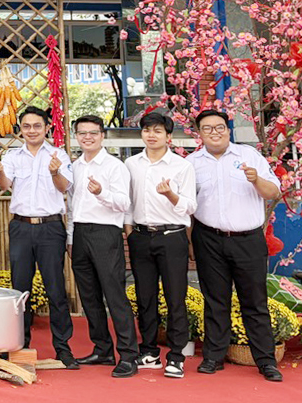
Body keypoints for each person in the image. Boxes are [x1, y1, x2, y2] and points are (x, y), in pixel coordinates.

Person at [188, 109, 283, 383]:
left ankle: (265, 361)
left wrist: (256, 179)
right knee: (215, 301)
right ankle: (213, 357)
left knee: (254, 302)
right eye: (207, 128)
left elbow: (274, 192)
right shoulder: (191, 163)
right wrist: (191, 241)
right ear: (199, 133)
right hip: (208, 238)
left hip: (248, 240)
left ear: (228, 130)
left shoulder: (249, 156)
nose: (214, 132)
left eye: (219, 127)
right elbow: (188, 207)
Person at [0, 106, 78, 369]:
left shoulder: (59, 155)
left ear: (47, 127)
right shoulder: (13, 156)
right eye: (26, 126)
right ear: (20, 129)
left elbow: (65, 187)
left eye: (37, 126)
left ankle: (63, 348)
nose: (31, 131)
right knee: (20, 290)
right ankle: (18, 345)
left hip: (50, 227)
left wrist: (55, 172)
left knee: (55, 289)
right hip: (21, 227)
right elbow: (4, 185)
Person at [124, 112, 196, 379]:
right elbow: (128, 202)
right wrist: (129, 232)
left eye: (157, 130)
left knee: (175, 297)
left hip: (172, 237)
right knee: (145, 297)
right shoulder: (131, 164)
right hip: (141, 236)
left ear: (169, 136)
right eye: (146, 130)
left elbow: (190, 206)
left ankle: (176, 356)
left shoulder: (182, 166)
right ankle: (149, 351)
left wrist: (170, 195)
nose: (151, 135)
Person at [66, 116, 138, 378]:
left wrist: (101, 193)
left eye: (93, 133)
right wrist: (71, 238)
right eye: (82, 133)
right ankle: (103, 349)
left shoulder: (114, 166)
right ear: (76, 136)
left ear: (102, 135)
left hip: (106, 233)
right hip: (80, 233)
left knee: (114, 294)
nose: (87, 137)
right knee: (89, 296)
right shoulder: (74, 166)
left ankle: (128, 355)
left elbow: (124, 203)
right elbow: (71, 206)